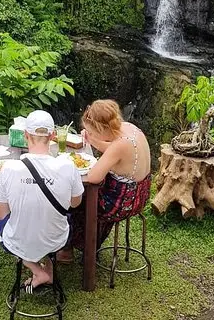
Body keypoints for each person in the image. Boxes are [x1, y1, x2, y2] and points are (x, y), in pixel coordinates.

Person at [0, 110, 84, 293]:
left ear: (26, 135)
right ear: (52, 136)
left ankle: (37, 270)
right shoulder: (68, 166)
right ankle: (47, 269)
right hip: (57, 239)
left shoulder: (9, 168)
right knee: (59, 220)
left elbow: (0, 214)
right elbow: (75, 204)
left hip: (19, 240)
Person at [59, 99, 151, 261]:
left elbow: (94, 177)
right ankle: (81, 245)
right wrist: (92, 139)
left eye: (92, 132)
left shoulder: (119, 146)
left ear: (102, 128)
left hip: (120, 202)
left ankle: (68, 247)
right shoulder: (130, 128)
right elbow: (114, 150)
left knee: (72, 198)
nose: (91, 135)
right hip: (140, 195)